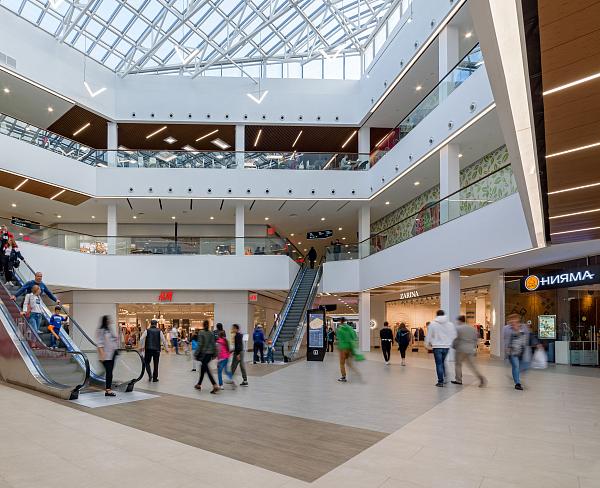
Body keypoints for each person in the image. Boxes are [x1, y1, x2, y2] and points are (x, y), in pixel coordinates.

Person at [451, 315, 487, 387]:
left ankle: (458, 380)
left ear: (459, 321)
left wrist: (453, 345)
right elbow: (476, 339)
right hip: (470, 350)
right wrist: (474, 347)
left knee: (458, 364)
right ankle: (481, 378)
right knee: (472, 366)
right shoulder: (472, 329)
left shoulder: (458, 328)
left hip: (461, 349)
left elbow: (457, 339)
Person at [425, 310, 457, 387]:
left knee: (439, 364)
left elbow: (429, 335)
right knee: (443, 362)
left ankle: (440, 381)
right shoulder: (450, 324)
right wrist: (450, 342)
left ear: (437, 315)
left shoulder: (432, 324)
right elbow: (454, 335)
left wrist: (426, 344)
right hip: (446, 347)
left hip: (436, 347)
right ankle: (445, 378)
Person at [503, 314, 533, 391]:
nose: (512, 323)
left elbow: (529, 337)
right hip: (512, 351)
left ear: (518, 320)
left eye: (514, 321)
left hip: (523, 350)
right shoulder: (506, 328)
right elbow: (505, 339)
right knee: (516, 365)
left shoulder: (524, 327)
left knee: (526, 366)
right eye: (511, 322)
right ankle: (517, 383)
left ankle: (515, 374)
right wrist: (506, 350)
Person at [96, 315, 118, 397]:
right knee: (109, 372)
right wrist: (102, 355)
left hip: (112, 354)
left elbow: (113, 340)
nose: (109, 320)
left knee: (110, 372)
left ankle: (108, 389)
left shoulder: (109, 329)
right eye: (108, 319)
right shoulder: (101, 330)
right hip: (106, 355)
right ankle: (108, 390)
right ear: (105, 321)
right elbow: (99, 343)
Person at [194, 320, 219, 393]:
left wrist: (196, 353)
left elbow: (200, 344)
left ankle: (214, 385)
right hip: (210, 353)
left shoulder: (201, 332)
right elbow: (214, 343)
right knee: (203, 367)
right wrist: (215, 353)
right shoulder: (211, 333)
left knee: (206, 368)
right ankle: (199, 384)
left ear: (203, 325)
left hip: (204, 353)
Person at [337, 317, 363, 382]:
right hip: (350, 348)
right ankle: (357, 373)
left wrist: (338, 347)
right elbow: (354, 337)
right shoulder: (350, 328)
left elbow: (339, 339)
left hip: (343, 348)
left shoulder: (339, 329)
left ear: (340, 321)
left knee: (342, 363)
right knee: (349, 363)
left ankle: (343, 377)